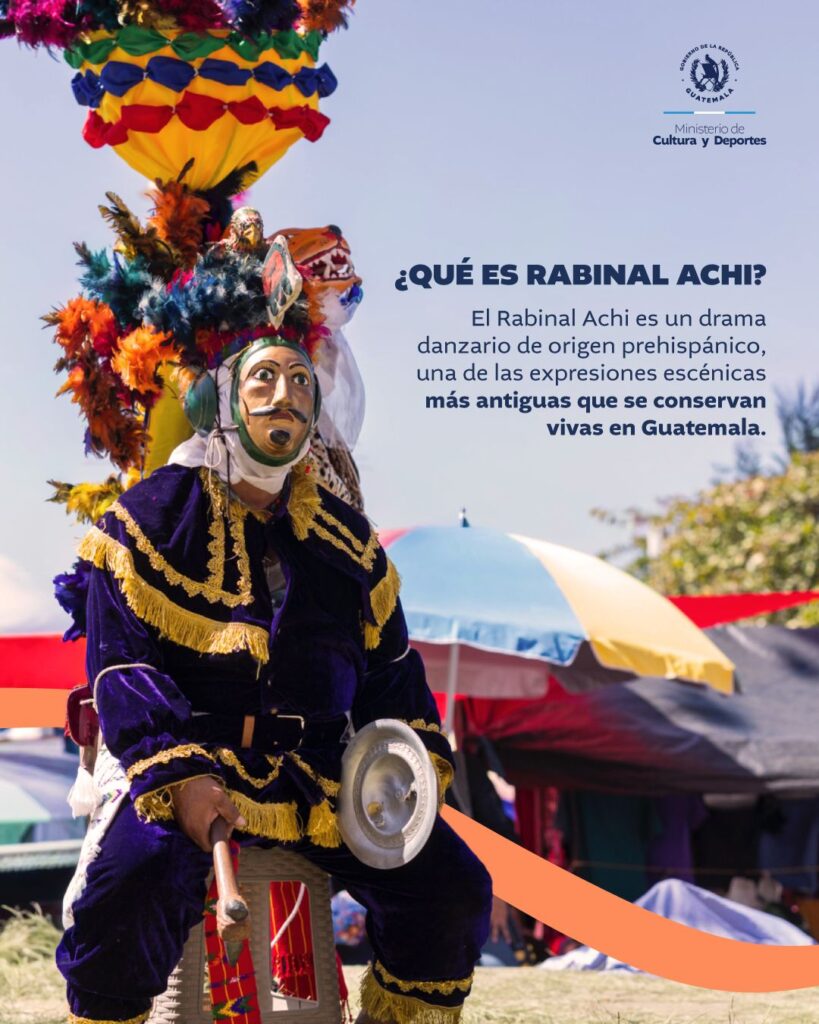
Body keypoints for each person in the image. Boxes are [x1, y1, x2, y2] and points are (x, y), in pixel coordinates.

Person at [56, 331, 492, 1024]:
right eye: (263, 379)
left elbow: (392, 677)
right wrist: (181, 778)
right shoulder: (146, 520)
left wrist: (405, 774)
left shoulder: (348, 541)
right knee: (135, 878)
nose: (284, 395)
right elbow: (124, 671)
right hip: (188, 765)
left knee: (452, 887)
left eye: (300, 381)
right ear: (221, 401)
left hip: (319, 781)